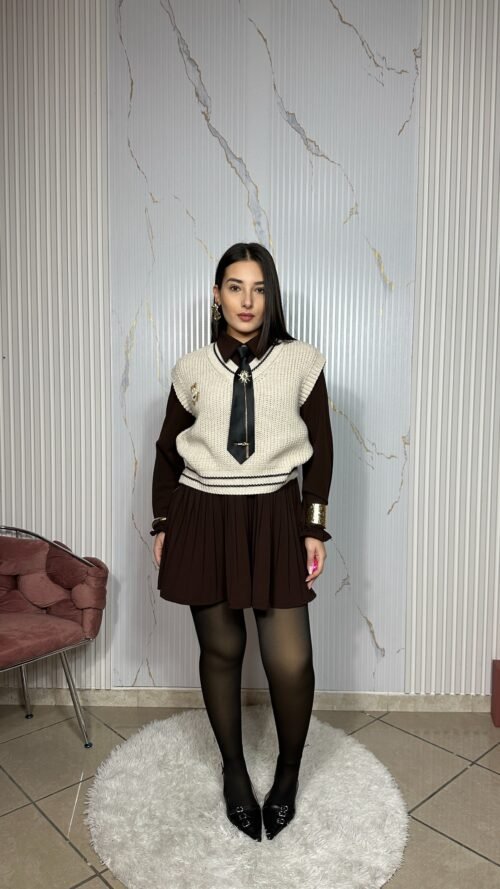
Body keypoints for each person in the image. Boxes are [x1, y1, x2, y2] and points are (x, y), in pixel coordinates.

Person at [151, 242, 333, 842]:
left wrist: (313, 527)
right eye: (235, 287)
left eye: (258, 288)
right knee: (222, 649)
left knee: (290, 659)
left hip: (276, 516)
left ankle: (287, 776)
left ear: (270, 295)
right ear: (217, 294)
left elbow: (322, 452)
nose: (247, 301)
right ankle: (233, 772)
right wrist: (162, 523)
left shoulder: (302, 362)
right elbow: (166, 452)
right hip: (203, 515)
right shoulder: (190, 368)